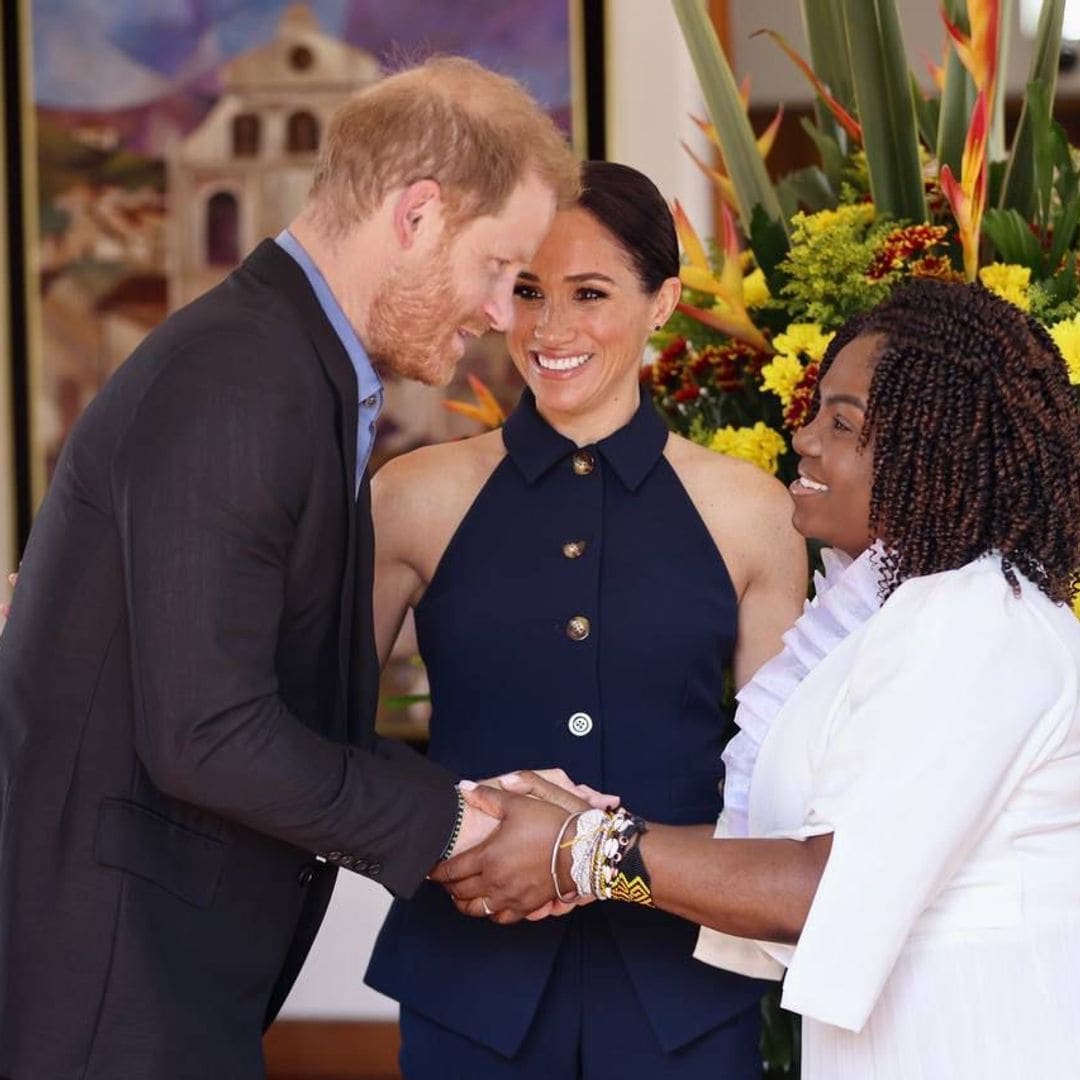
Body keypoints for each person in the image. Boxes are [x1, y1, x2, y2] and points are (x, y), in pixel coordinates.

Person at [0, 57, 580, 1079]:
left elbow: (254, 710)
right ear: (417, 216)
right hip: (107, 993)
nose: (502, 314)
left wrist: (465, 802)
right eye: (498, 267)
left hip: (147, 976)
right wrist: (454, 822)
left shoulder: (289, 368)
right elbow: (209, 734)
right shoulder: (241, 378)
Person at [437, 277, 1080, 1079]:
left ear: (934, 449)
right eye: (815, 411)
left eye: (842, 423)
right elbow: (786, 855)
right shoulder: (907, 614)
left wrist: (581, 850)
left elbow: (822, 886)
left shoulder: (979, 620)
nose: (804, 439)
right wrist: (574, 829)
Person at [364, 161, 807, 1077]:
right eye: (527, 290)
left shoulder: (753, 511)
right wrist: (452, 833)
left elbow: (779, 792)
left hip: (683, 995)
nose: (550, 328)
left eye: (589, 293)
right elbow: (315, 732)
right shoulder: (412, 497)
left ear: (664, 302)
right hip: (466, 981)